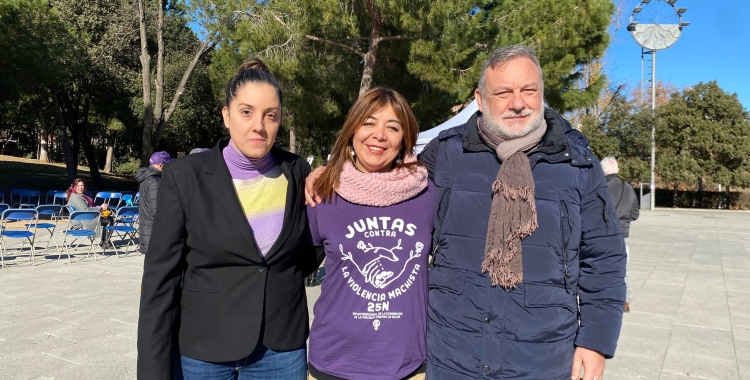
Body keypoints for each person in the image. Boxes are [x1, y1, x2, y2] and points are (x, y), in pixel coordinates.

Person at [305, 44, 627, 380]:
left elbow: (604, 260)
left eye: (528, 90)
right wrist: (329, 173)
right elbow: (387, 177)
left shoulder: (575, 162)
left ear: (541, 93)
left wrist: (595, 342)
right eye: (503, 92)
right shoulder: (446, 154)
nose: (518, 103)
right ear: (480, 98)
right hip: (453, 357)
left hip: (542, 358)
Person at [137, 58, 320, 380]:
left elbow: (311, 247)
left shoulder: (299, 173)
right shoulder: (185, 176)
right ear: (226, 115)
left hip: (280, 348)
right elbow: (160, 278)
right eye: (246, 112)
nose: (258, 126)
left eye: (270, 115)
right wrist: (153, 370)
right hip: (203, 350)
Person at [306, 87, 433, 380]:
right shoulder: (323, 193)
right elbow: (293, 267)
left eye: (393, 127)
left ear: (405, 139)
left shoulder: (426, 192)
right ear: (352, 129)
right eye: (369, 122)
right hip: (334, 364)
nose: (379, 135)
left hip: (408, 367)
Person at [601, 156, 639, 313]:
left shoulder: (600, 188)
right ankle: (625, 301)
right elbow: (635, 214)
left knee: (601, 266)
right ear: (617, 170)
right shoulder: (629, 188)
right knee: (624, 268)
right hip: (623, 234)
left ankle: (603, 297)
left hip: (603, 234)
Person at [135, 151, 171, 254]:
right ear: (161, 165)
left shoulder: (147, 178)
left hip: (147, 225)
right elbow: (157, 209)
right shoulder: (155, 181)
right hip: (153, 229)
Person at [65, 178, 114, 248]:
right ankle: (105, 242)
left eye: (82, 185)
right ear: (74, 187)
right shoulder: (75, 197)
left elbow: (88, 208)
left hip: (87, 217)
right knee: (109, 220)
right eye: (78, 186)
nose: (80, 187)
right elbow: (85, 210)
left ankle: (104, 242)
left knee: (108, 217)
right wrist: (100, 208)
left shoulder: (82, 195)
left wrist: (101, 208)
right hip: (82, 220)